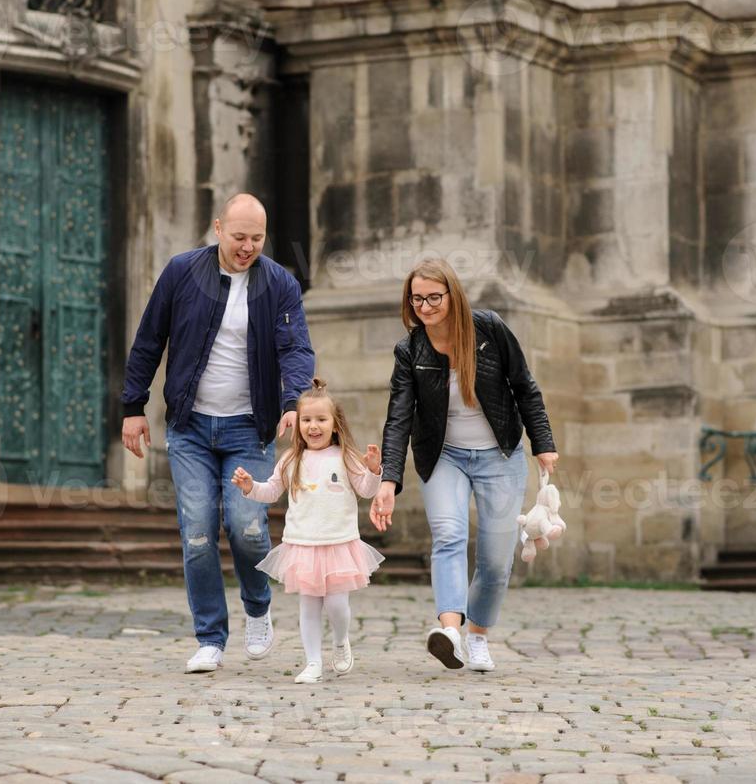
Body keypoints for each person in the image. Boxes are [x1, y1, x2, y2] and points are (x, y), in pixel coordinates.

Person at [120, 194, 315, 674]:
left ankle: (257, 605)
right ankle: (210, 637)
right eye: (238, 237)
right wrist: (133, 407)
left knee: (248, 529)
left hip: (251, 428)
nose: (247, 247)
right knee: (199, 533)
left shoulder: (280, 284)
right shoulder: (182, 272)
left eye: (256, 238)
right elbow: (149, 339)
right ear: (217, 228)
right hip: (190, 428)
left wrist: (292, 402)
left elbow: (296, 350)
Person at [370, 259, 559, 673]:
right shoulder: (410, 350)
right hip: (444, 457)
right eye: (417, 298)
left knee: (495, 558)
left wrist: (543, 443)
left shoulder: (488, 329)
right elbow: (399, 416)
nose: (425, 306)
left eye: (434, 297)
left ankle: (477, 635)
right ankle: (450, 630)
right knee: (449, 535)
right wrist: (389, 479)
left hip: (500, 455)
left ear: (452, 295)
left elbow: (525, 386)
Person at [232, 378, 384, 684]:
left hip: (338, 542)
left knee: (338, 605)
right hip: (303, 544)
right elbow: (272, 490)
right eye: (306, 420)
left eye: (321, 419)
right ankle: (313, 661)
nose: (313, 426)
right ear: (298, 424)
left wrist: (373, 469)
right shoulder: (291, 459)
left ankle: (340, 642)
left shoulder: (345, 457)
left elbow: (366, 490)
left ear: (335, 424)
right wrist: (251, 488)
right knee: (310, 605)